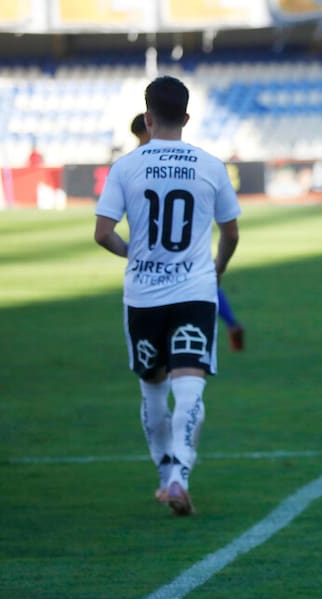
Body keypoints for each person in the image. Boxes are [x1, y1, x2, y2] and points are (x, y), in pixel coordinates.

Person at [95, 77, 241, 516]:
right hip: (194, 293)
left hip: (143, 296)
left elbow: (103, 233)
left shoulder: (126, 166)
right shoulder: (211, 166)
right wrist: (215, 270)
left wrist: (132, 255)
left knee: (154, 391)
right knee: (190, 388)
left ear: (148, 117)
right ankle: (180, 475)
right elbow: (231, 234)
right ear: (188, 117)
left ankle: (164, 476)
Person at [131, 112, 245, 350]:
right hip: (186, 241)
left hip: (163, 247)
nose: (140, 143)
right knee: (205, 281)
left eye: (140, 137)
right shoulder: (188, 161)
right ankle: (230, 324)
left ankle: (171, 350)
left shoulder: (144, 165)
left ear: (149, 128)